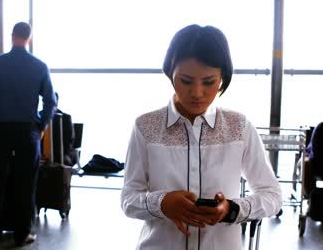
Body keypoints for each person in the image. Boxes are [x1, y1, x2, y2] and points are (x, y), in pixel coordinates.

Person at [120, 24, 282, 250]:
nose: (197, 93)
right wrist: (161, 203)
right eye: (185, 81)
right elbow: (128, 199)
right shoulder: (145, 127)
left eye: (209, 82)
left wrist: (231, 210)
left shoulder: (240, 127)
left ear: (223, 77)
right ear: (170, 73)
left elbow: (272, 196)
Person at [0, 22, 56, 247]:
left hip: (0, 130)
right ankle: (22, 234)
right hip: (27, 131)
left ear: (12, 37)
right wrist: (41, 126)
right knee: (25, 183)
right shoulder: (40, 66)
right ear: (28, 38)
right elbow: (50, 101)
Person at [52, 92, 78, 167]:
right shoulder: (39, 116)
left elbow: (69, 140)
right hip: (43, 153)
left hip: (63, 152)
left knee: (61, 161)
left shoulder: (65, 118)